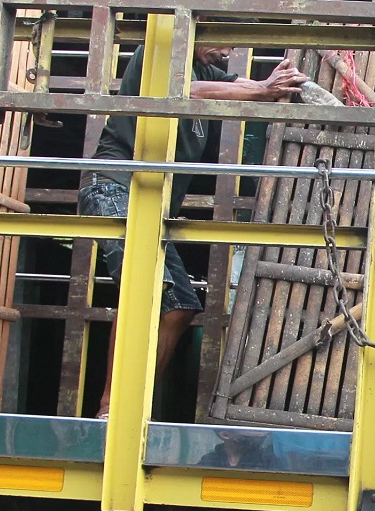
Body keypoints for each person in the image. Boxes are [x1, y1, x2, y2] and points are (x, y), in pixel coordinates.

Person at [78, 44, 307, 419]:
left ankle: (133, 405)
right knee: (144, 288)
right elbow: (184, 91)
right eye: (221, 39)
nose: (227, 50)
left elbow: (246, 85)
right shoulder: (160, 48)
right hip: (116, 185)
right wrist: (264, 89)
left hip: (151, 206)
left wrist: (278, 84)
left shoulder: (207, 71)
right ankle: (110, 408)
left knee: (179, 307)